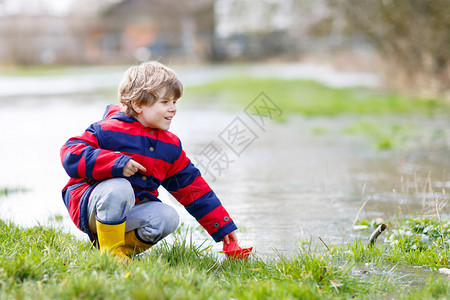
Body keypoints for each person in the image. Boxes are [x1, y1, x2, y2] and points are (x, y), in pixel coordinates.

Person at [60, 61, 238, 262]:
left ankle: (119, 252)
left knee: (168, 217)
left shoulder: (169, 147)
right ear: (137, 104)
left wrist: (222, 226)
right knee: (120, 187)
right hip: (90, 205)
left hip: (129, 211)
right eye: (165, 102)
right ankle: (110, 256)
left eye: (175, 102)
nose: (173, 109)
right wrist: (116, 163)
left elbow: (193, 189)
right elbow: (70, 154)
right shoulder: (108, 130)